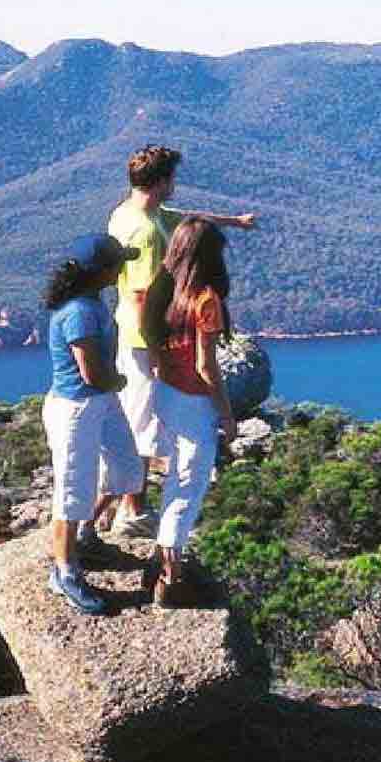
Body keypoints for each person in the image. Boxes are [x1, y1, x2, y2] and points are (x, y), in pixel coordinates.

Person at [98, 144, 257, 532]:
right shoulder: (148, 233)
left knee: (145, 420)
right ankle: (129, 513)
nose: (176, 185)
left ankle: (127, 507)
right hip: (142, 340)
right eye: (172, 178)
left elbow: (186, 218)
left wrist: (233, 221)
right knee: (142, 424)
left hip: (135, 333)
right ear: (162, 181)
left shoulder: (128, 211)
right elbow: (143, 295)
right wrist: (157, 350)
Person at [39, 233, 140, 615]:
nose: (122, 269)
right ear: (99, 272)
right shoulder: (79, 312)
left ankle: (85, 532)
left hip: (100, 402)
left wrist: (112, 385)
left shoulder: (91, 302)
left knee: (128, 468)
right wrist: (121, 381)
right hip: (76, 409)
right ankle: (64, 573)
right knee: (71, 492)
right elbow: (92, 373)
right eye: (118, 264)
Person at [145, 217, 240, 606]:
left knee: (175, 478)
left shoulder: (163, 289)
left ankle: (164, 558)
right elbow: (206, 366)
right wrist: (227, 413)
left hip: (165, 392)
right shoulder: (205, 300)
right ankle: (170, 576)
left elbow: (151, 340)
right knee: (190, 484)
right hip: (192, 401)